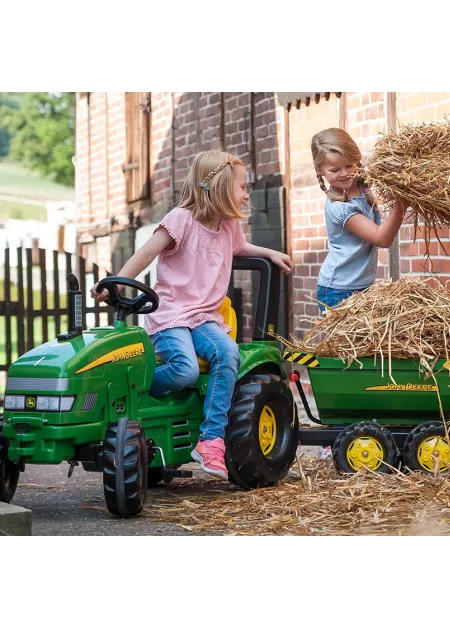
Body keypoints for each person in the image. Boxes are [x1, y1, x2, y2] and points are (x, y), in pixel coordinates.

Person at [90, 151, 293, 480]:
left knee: (227, 352)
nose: (245, 194)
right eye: (241, 187)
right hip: (171, 314)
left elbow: (239, 249)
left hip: (204, 316)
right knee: (184, 370)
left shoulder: (228, 226)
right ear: (221, 187)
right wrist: (111, 282)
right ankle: (137, 394)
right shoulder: (181, 220)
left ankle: (211, 440)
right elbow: (146, 252)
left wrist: (269, 252)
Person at [311, 128, 409, 312]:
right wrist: (402, 203)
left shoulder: (360, 179)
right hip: (338, 291)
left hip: (362, 287)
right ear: (320, 169)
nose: (345, 173)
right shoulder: (341, 207)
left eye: (349, 165)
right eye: (334, 170)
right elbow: (382, 239)